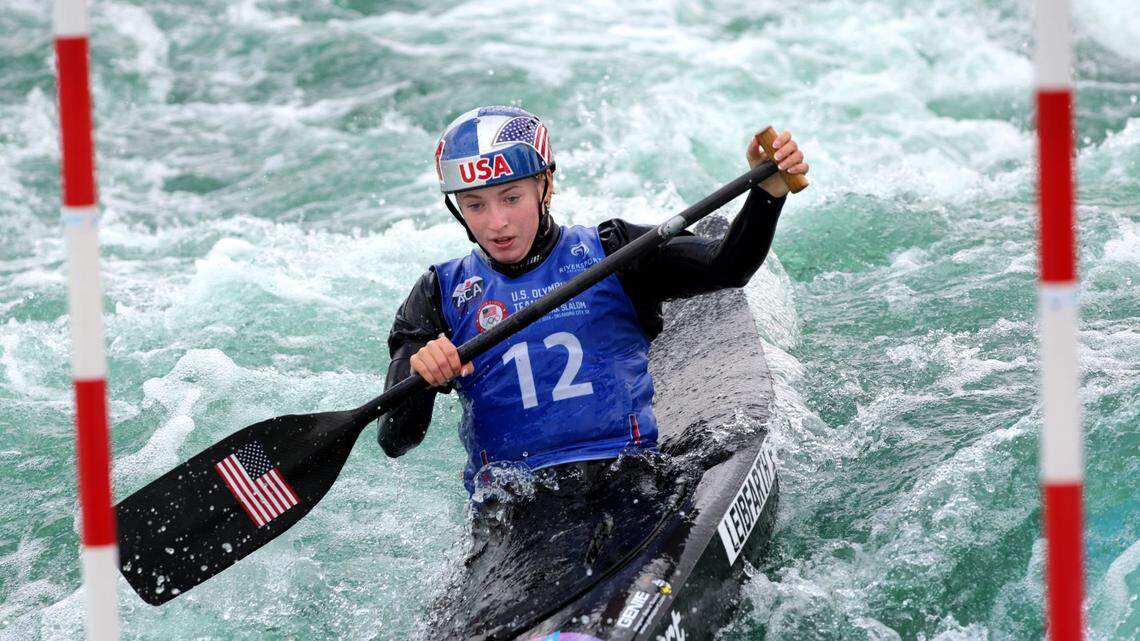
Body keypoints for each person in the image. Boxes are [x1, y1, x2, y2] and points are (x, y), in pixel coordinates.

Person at [378, 105, 807, 495]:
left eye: (512, 198)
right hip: (510, 501)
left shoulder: (615, 253)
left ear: (546, 186)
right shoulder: (439, 294)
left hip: (627, 475)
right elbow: (395, 440)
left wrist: (767, 194)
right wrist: (422, 384)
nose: (497, 222)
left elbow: (727, 267)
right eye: (475, 205)